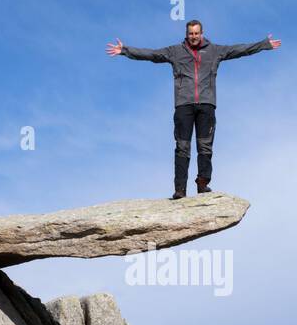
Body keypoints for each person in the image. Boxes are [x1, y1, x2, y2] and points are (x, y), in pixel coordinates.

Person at [107, 20, 280, 199]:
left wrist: (263, 45)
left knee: (205, 147)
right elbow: (152, 54)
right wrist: (125, 50)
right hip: (184, 105)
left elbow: (240, 50)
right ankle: (180, 189)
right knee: (182, 147)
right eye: (191, 33)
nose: (194, 36)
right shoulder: (175, 51)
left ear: (202, 33)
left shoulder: (215, 51)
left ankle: (203, 183)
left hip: (206, 104)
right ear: (187, 34)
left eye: (197, 33)